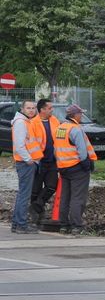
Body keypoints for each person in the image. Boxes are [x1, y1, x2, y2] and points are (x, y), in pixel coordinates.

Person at [54, 104, 97, 235]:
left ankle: (63, 225)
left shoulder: (61, 128)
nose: (81, 116)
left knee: (65, 196)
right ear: (75, 115)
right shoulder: (75, 129)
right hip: (77, 167)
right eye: (80, 114)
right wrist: (86, 164)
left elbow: (57, 149)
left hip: (63, 167)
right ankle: (76, 225)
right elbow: (82, 151)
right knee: (78, 197)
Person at [11, 100, 43, 234]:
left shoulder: (25, 122)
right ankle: (21, 225)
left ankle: (17, 223)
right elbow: (19, 145)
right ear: (22, 109)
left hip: (27, 162)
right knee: (24, 194)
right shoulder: (21, 123)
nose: (31, 110)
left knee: (22, 194)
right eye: (28, 108)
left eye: (34, 108)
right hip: (26, 163)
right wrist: (29, 159)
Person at [29, 99, 60, 225]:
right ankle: (36, 217)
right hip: (38, 161)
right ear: (42, 109)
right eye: (50, 107)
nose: (52, 109)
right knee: (35, 190)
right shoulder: (33, 123)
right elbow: (31, 143)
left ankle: (37, 206)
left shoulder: (55, 121)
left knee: (52, 186)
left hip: (52, 161)